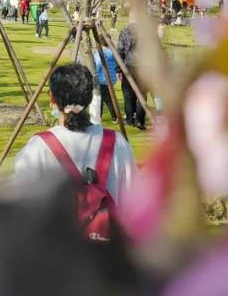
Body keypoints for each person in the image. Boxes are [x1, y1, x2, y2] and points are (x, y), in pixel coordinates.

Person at [14, 63, 137, 212]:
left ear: (52, 99)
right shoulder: (118, 143)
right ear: (90, 98)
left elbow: (22, 207)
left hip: (56, 234)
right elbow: (135, 202)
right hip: (110, 232)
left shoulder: (38, 148)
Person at [116, 23, 150, 130]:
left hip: (130, 65)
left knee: (128, 94)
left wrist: (119, 67)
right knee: (142, 94)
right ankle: (138, 120)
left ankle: (131, 118)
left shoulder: (126, 30)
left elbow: (120, 50)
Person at [92, 47, 121, 122]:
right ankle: (114, 117)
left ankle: (112, 117)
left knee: (102, 98)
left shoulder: (101, 52)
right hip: (111, 78)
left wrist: (93, 72)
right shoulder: (113, 52)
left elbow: (98, 64)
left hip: (102, 78)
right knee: (106, 98)